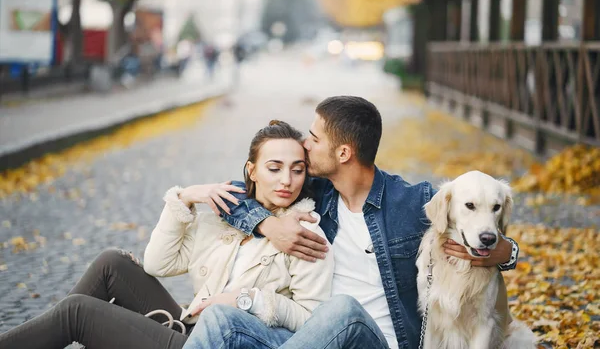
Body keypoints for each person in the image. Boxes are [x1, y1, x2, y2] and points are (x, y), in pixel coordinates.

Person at [186, 96, 520, 349]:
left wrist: (505, 251)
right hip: (311, 337)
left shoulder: (413, 202)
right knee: (220, 319)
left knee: (343, 308)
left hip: (376, 341)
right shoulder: (316, 192)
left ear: (343, 153)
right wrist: (266, 225)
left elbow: (472, 213)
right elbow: (241, 193)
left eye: (315, 139)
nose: (305, 144)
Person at [0, 120, 334, 349]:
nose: (286, 180)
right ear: (252, 170)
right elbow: (157, 263)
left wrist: (246, 300)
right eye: (274, 168)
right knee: (111, 263)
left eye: (297, 169)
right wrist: (184, 198)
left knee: (77, 312)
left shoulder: (303, 233)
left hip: (220, 341)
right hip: (189, 326)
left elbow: (314, 323)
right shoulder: (225, 216)